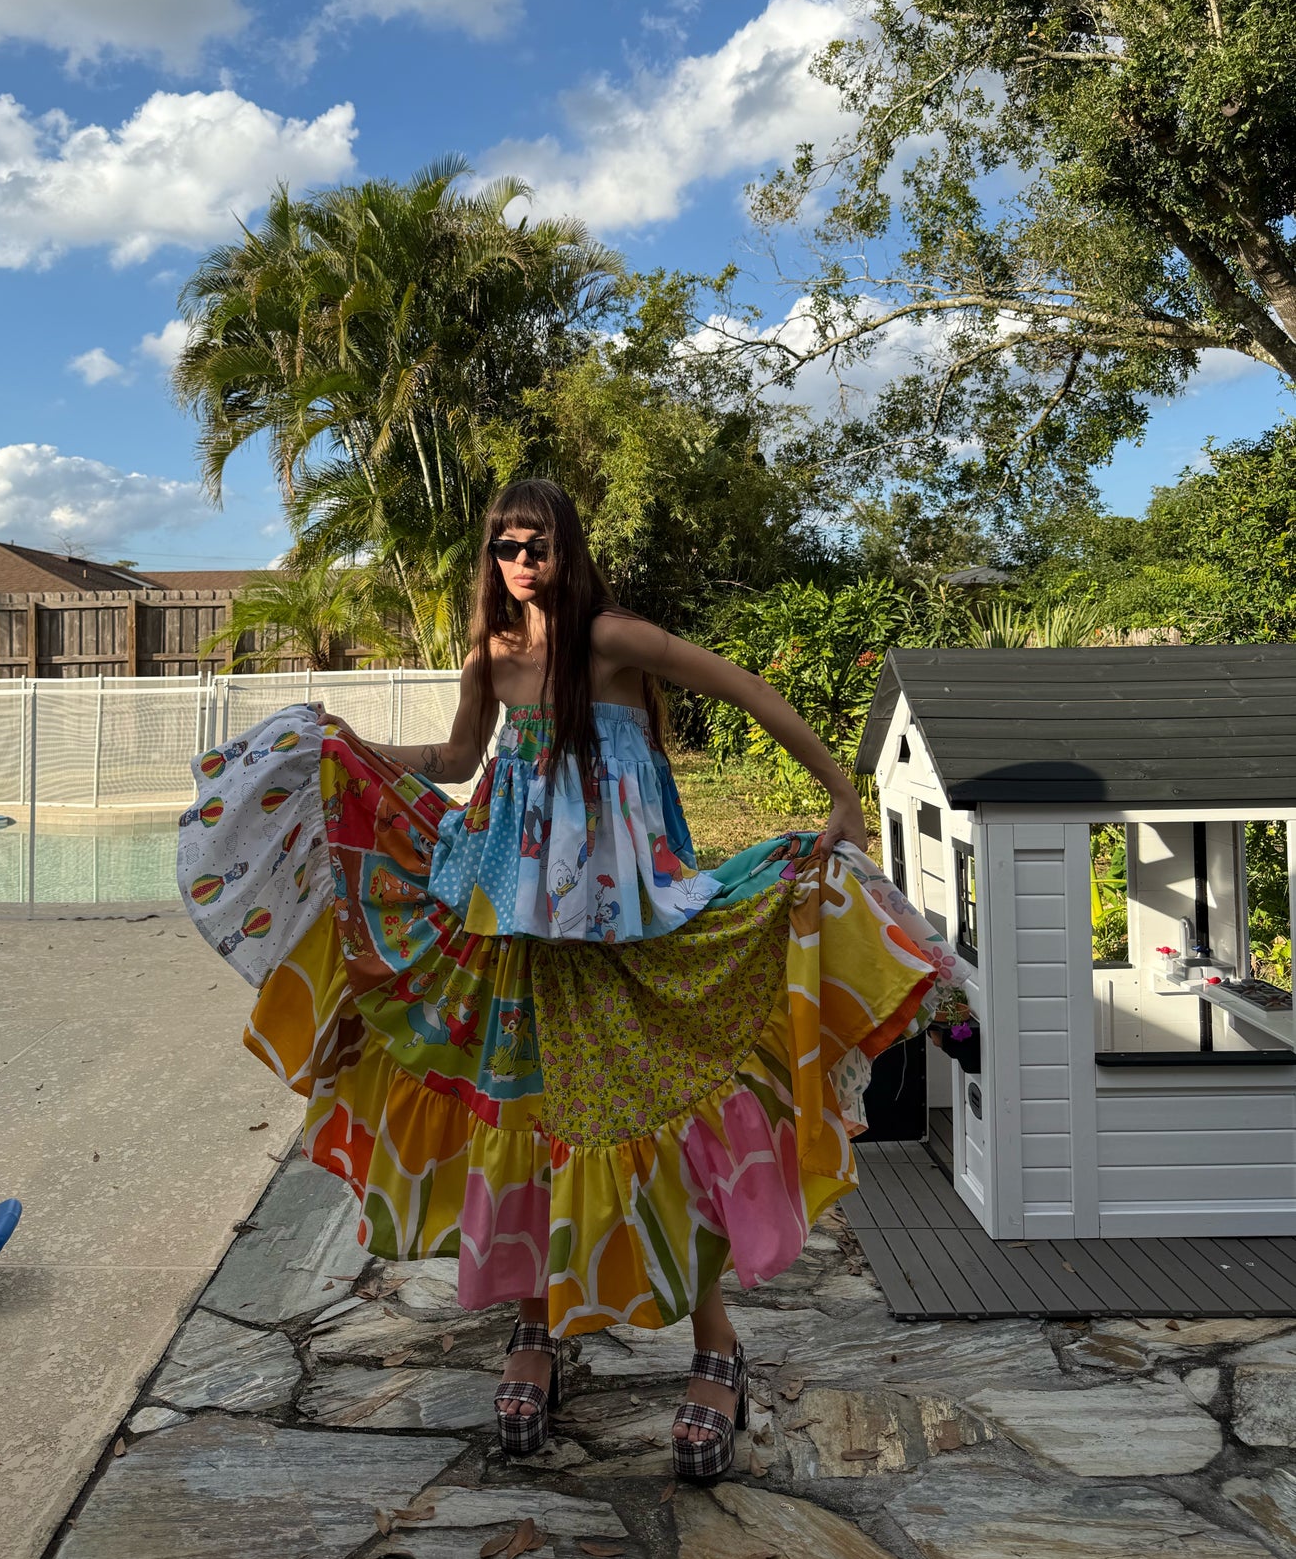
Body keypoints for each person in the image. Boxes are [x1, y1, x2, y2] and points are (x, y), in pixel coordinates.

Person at [177, 479, 942, 1483]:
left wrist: (840, 790)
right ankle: (536, 1329)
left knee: (664, 1113)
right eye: (504, 546)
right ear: (488, 557)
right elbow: (456, 759)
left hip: (627, 930)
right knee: (529, 1125)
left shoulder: (615, 639)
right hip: (512, 934)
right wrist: (352, 746)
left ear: (565, 549)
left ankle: (715, 1343)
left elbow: (742, 688)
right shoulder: (491, 658)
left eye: (535, 544)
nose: (520, 561)